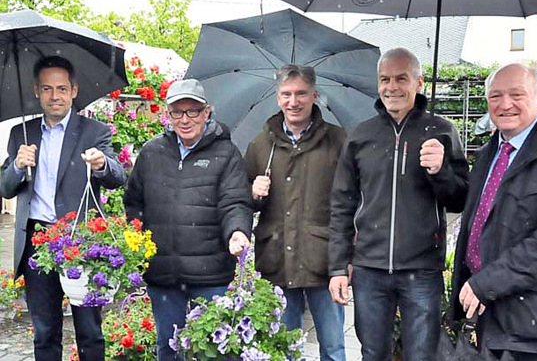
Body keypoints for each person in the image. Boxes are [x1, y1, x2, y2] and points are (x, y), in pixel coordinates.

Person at [328, 47, 469, 361]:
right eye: (384, 79)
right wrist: (338, 266)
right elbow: (342, 204)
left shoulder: (442, 132)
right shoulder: (361, 135)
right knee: (372, 353)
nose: (392, 87)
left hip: (422, 269)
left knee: (422, 354)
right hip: (369, 269)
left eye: (401, 78)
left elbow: (461, 199)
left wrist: (441, 171)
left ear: (418, 82)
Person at [451, 63, 537, 361]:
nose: (505, 104)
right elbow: (478, 219)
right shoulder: (489, 152)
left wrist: (486, 283)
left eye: (517, 94)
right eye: (495, 96)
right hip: (492, 313)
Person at [0, 56, 126, 361]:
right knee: (44, 331)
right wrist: (17, 166)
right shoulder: (22, 134)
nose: (54, 96)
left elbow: (117, 177)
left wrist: (101, 165)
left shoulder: (94, 131)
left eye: (61, 89)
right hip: (37, 240)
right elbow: (4, 187)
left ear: (73, 90)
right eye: (47, 89)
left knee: (89, 331)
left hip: (79, 240)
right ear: (36, 91)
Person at [124, 78, 252, 361]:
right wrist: (138, 241)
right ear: (167, 115)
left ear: (207, 112)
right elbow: (133, 201)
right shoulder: (151, 152)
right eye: (177, 112)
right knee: (168, 347)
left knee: (211, 348)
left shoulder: (226, 153)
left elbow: (235, 201)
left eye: (192, 111)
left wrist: (238, 232)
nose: (185, 119)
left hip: (210, 273)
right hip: (163, 273)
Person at [244, 64, 347, 361]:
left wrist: (347, 258)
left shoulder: (338, 141)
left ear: (314, 95)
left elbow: (353, 201)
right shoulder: (262, 144)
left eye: (301, 93)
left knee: (333, 347)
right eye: (286, 94)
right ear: (277, 98)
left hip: (324, 262)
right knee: (282, 347)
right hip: (276, 260)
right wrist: (254, 192)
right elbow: (240, 199)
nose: (294, 101)